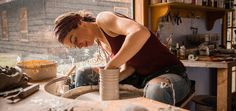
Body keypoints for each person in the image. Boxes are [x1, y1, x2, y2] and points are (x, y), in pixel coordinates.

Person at [53, 10, 191, 105]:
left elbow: (140, 32)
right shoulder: (100, 43)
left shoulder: (104, 19)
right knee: (83, 74)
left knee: (156, 90)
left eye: (74, 39)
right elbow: (131, 65)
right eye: (74, 46)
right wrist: (112, 79)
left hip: (169, 73)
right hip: (141, 77)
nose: (79, 45)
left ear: (80, 23)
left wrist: (112, 66)